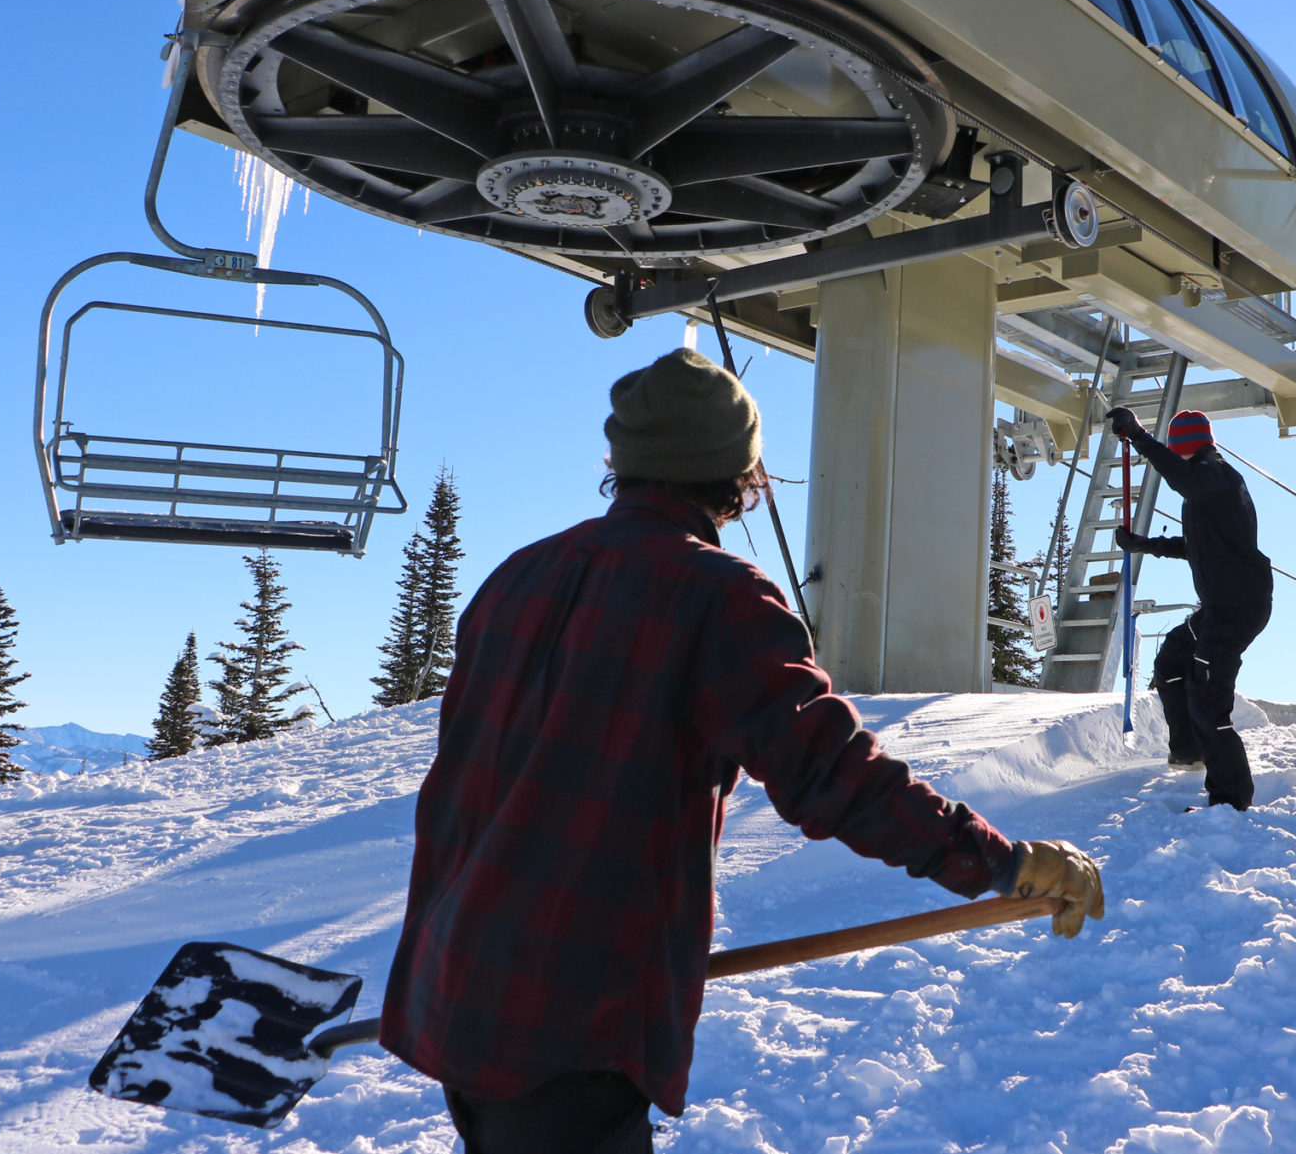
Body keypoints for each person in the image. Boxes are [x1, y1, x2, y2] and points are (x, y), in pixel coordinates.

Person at [381, 349, 1104, 1153]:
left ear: (619, 460)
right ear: (741, 473)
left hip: (461, 994)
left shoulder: (515, 577)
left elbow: (463, 785)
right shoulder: (720, 595)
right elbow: (833, 774)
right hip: (573, 1020)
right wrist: (1001, 864)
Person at [1109, 407, 1272, 811]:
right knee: (1172, 661)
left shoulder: (1218, 478)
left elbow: (1184, 480)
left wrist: (1142, 440)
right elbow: (1196, 545)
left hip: (1237, 607)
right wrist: (1146, 545)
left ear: (1185, 447)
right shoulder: (1207, 488)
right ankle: (1189, 751)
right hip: (1220, 606)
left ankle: (1230, 801)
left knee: (1207, 698)